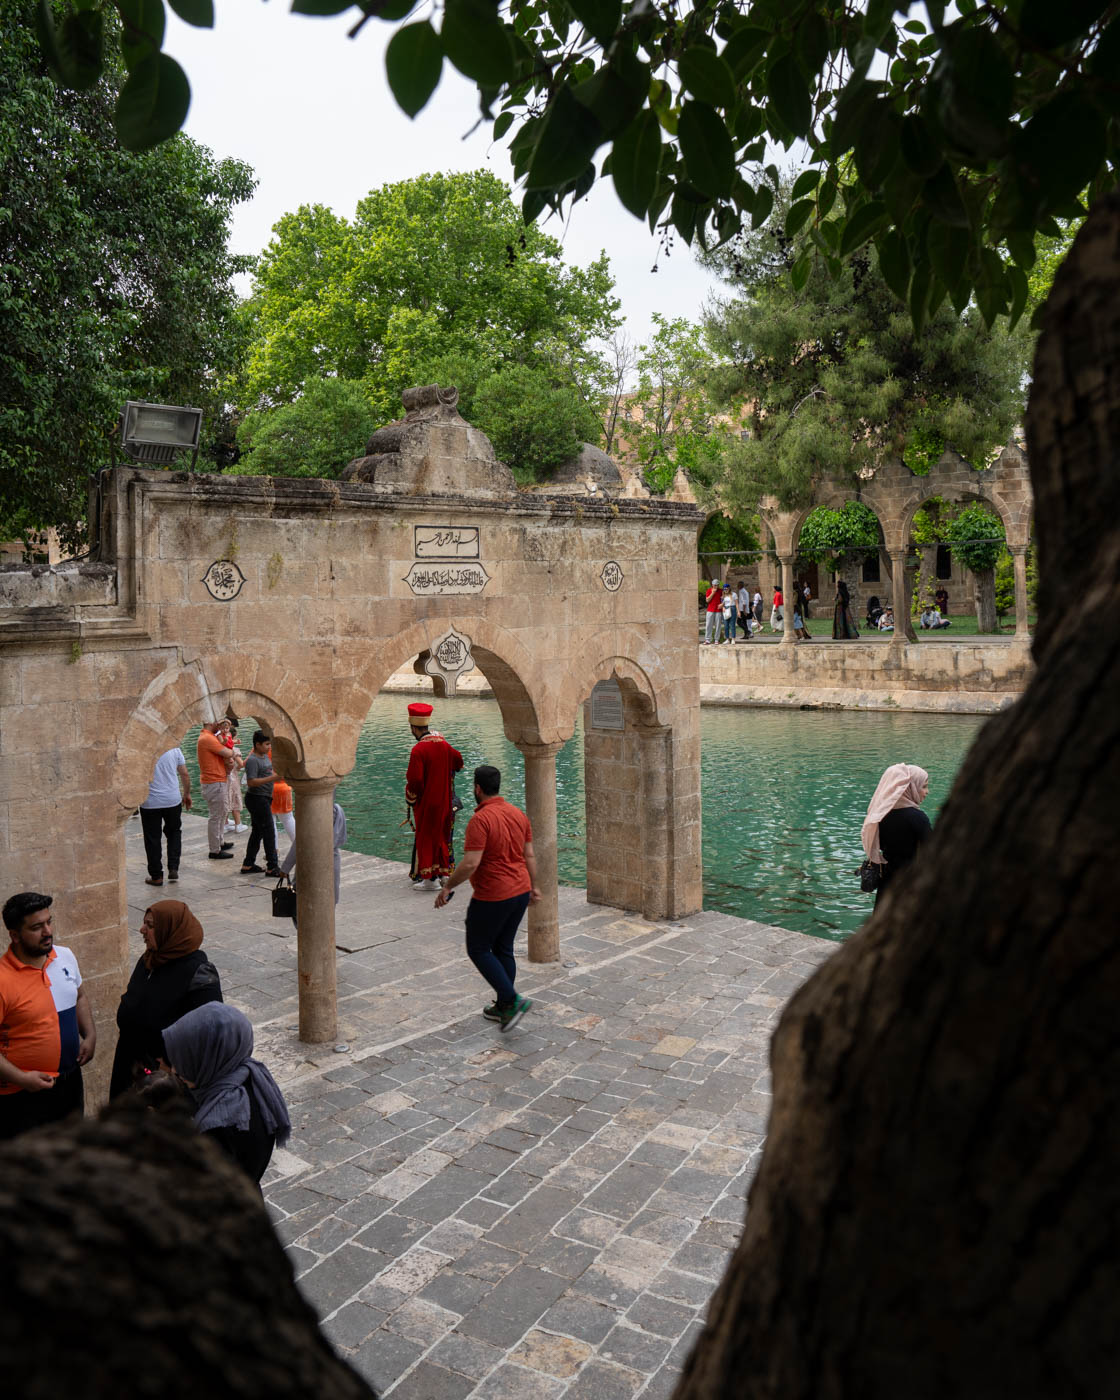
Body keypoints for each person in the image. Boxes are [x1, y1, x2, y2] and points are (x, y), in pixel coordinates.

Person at [435, 765, 538, 1032]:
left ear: (477, 788)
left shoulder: (480, 820)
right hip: (520, 890)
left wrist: (448, 886)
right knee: (503, 948)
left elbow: (471, 863)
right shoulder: (518, 814)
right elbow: (529, 854)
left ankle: (512, 1000)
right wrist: (534, 886)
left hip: (494, 894)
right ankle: (504, 1007)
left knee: (478, 948)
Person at [161, 1003, 291, 1184]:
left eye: (185, 1059)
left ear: (207, 1058)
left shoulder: (220, 1125)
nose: (175, 1070)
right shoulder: (250, 1077)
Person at [0, 892, 95, 1139]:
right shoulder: (2, 979)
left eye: (48, 922)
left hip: (70, 1083)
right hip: (21, 1096)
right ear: (15, 935)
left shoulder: (64, 956)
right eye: (36, 927)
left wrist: (90, 1034)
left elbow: (80, 996)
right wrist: (22, 1078)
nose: (47, 932)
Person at [109, 900, 222, 1100]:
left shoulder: (199, 973)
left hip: (165, 1082)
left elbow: (208, 1034)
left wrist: (172, 1066)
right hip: (129, 1066)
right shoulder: (149, 960)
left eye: (151, 926)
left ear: (171, 931)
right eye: (144, 923)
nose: (142, 930)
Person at [404, 701, 464, 891]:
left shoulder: (418, 750)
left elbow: (415, 780)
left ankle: (430, 880)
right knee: (441, 836)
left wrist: (410, 797)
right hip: (445, 801)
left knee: (426, 838)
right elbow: (459, 762)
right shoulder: (443, 744)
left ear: (413, 728)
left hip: (427, 803)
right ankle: (444, 874)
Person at [861, 763, 932, 904]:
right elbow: (933, 848)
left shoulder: (881, 816)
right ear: (910, 788)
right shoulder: (918, 818)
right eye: (923, 786)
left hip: (887, 880)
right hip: (910, 881)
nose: (927, 791)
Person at [279, 802, 346, 917]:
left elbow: (299, 842)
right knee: (328, 901)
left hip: (311, 861)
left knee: (305, 901)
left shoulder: (315, 812)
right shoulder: (337, 810)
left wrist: (285, 868)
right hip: (329, 860)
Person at [140, 745, 192, 887]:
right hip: (172, 800)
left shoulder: (143, 749)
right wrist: (187, 794)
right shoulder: (174, 749)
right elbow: (184, 774)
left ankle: (156, 876)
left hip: (150, 801)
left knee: (152, 839)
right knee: (174, 833)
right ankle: (173, 867)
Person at [240, 732, 282, 877]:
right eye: (266, 744)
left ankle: (248, 864)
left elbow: (267, 774)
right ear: (257, 744)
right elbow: (251, 782)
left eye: (270, 744)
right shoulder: (253, 760)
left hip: (264, 798)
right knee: (269, 833)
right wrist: (273, 778)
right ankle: (272, 866)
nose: (269, 747)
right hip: (257, 799)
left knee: (257, 832)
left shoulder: (264, 757)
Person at [197, 720, 234, 860]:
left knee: (222, 812)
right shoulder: (207, 738)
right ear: (211, 722)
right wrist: (232, 752)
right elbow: (227, 752)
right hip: (214, 782)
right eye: (218, 722)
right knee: (216, 816)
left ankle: (220, 842)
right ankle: (214, 850)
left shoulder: (210, 736)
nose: (220, 725)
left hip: (218, 780)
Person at [221, 719, 247, 834]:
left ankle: (225, 824)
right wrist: (238, 768)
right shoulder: (234, 750)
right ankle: (238, 825)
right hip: (233, 778)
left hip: (223, 778)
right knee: (235, 800)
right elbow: (241, 764)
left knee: (226, 799)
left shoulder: (221, 750)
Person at [271, 777, 295, 849]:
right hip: (283, 789)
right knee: (288, 819)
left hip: (266, 789)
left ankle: (274, 851)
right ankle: (299, 846)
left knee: (270, 822)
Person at [703, 578, 722, 644]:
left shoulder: (721, 591)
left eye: (717, 585)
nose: (716, 586)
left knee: (718, 625)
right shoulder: (709, 590)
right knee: (708, 625)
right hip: (710, 610)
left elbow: (724, 599)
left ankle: (716, 639)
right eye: (715, 585)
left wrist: (722, 604)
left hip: (718, 610)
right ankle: (707, 639)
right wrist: (713, 593)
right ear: (712, 585)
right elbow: (707, 600)